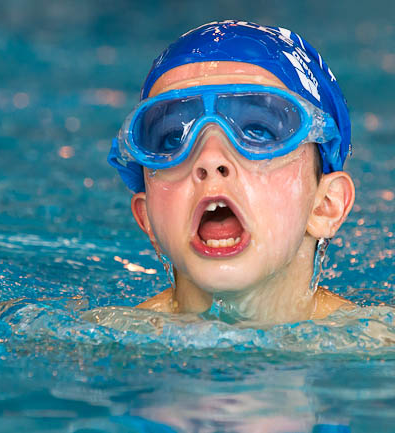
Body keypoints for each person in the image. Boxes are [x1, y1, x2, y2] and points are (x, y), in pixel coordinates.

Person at [108, 21, 356, 325]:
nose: (210, 158)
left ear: (325, 205)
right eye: (173, 138)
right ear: (149, 218)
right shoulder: (101, 339)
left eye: (259, 132)